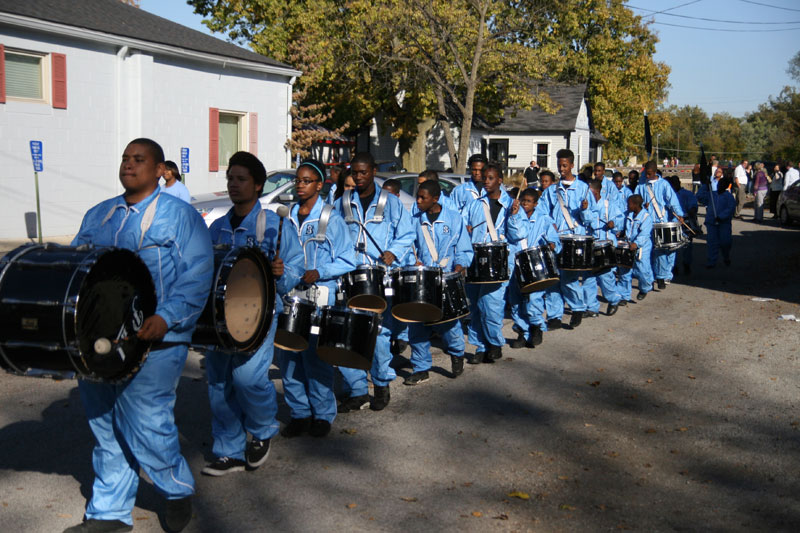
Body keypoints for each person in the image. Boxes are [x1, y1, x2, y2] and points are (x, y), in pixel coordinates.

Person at [66, 138, 213, 533]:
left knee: (147, 419)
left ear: (160, 168)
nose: (129, 165)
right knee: (104, 421)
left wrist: (167, 316)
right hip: (98, 341)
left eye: (139, 159)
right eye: (125, 159)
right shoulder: (100, 215)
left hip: (158, 339)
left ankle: (176, 486)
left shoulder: (181, 216)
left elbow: (198, 274)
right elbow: (76, 271)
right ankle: (109, 512)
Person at [202, 152, 304, 476]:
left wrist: (281, 273)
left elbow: (295, 269)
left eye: (241, 179)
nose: (233, 184)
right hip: (219, 320)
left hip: (258, 317)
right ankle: (228, 449)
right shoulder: (217, 226)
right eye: (230, 178)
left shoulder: (276, 225)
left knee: (247, 379)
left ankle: (261, 431)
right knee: (218, 381)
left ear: (258, 186)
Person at [278, 159, 356, 437]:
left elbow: (349, 259)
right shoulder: (286, 218)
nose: (300, 185)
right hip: (290, 295)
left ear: (319, 185)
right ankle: (299, 413)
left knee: (314, 358)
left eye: (306, 180)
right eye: (298, 180)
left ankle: (322, 414)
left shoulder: (330, 218)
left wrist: (320, 271)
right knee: (288, 357)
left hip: (320, 295)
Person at [333, 152, 415, 412]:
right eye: (355, 173)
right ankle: (357, 390)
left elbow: (407, 233)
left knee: (377, 335)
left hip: (377, 277)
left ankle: (381, 384)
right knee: (347, 333)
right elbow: (332, 234)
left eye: (363, 172)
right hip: (348, 277)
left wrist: (394, 252)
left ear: (373, 171)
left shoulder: (390, 202)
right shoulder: (342, 202)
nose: (358, 177)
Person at [405, 180, 473, 383]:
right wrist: (412, 261)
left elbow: (463, 248)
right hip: (421, 279)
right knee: (417, 325)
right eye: (417, 196)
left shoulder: (453, 219)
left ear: (435, 199)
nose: (417, 201)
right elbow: (408, 245)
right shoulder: (414, 220)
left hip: (445, 277)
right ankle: (420, 367)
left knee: (447, 324)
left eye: (422, 198)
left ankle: (457, 353)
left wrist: (460, 267)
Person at [535, 149, 595, 329]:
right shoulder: (552, 190)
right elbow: (543, 212)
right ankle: (554, 316)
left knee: (569, 278)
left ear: (572, 165)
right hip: (555, 238)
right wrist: (549, 226)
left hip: (575, 238)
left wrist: (585, 210)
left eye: (565, 165)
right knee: (553, 278)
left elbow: (591, 218)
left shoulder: (583, 188)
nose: (561, 169)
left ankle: (577, 307)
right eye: (559, 165)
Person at [465, 162, 513, 363]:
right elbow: (464, 226)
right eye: (484, 178)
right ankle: (480, 346)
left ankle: (495, 342)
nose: (486, 181)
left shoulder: (511, 205)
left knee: (490, 304)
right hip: (475, 259)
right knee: (475, 304)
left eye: (491, 178)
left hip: (498, 261)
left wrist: (516, 217)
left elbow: (519, 235)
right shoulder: (476, 203)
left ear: (500, 180)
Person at [506, 188, 561, 347]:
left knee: (534, 298)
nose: (525, 204)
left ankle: (537, 327)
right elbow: (511, 235)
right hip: (516, 261)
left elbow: (554, 238)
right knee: (516, 299)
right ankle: (522, 332)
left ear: (536, 204)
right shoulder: (513, 215)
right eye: (523, 200)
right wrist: (514, 216)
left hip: (535, 264)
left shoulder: (543, 219)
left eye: (529, 201)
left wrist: (552, 244)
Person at [635, 161, 684, 289]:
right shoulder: (641, 185)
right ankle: (649, 277)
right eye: (646, 173)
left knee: (660, 251)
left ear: (655, 172)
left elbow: (672, 201)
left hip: (660, 221)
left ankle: (661, 277)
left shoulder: (664, 184)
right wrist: (641, 205)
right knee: (645, 252)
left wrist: (679, 214)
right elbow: (635, 199)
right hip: (645, 223)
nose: (647, 175)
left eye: (649, 173)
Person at [583, 179, 624, 316]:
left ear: (597, 192)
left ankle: (614, 299)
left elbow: (620, 219)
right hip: (590, 246)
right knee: (588, 278)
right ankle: (592, 308)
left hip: (605, 246)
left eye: (590, 193)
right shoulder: (586, 208)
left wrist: (614, 223)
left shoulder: (609, 206)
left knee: (606, 278)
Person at [617, 194, 653, 302]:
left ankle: (645, 288)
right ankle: (624, 296)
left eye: (629, 204)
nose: (627, 206)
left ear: (635, 204)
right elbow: (623, 226)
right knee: (624, 271)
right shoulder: (628, 215)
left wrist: (636, 244)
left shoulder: (646, 217)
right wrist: (620, 232)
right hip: (628, 245)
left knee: (642, 271)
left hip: (641, 247)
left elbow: (644, 234)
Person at [697, 172, 736, 268]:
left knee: (725, 242)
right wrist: (706, 185)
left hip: (724, 223)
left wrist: (721, 216)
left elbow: (730, 208)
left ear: (726, 186)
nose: (720, 186)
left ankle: (726, 256)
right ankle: (711, 261)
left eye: (723, 184)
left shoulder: (728, 197)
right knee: (712, 242)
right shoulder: (711, 194)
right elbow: (699, 197)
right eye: (719, 184)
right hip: (712, 222)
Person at [668, 175, 698, 275]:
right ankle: (674, 266)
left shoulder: (688, 194)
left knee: (687, 245)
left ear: (679, 183)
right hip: (672, 222)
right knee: (673, 246)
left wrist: (689, 216)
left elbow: (693, 206)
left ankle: (687, 264)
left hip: (685, 221)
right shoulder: (668, 195)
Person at [451, 153, 487, 218]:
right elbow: (452, 213)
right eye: (474, 170)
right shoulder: (459, 190)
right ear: (470, 169)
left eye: (480, 170)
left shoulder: (491, 190)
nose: (477, 173)